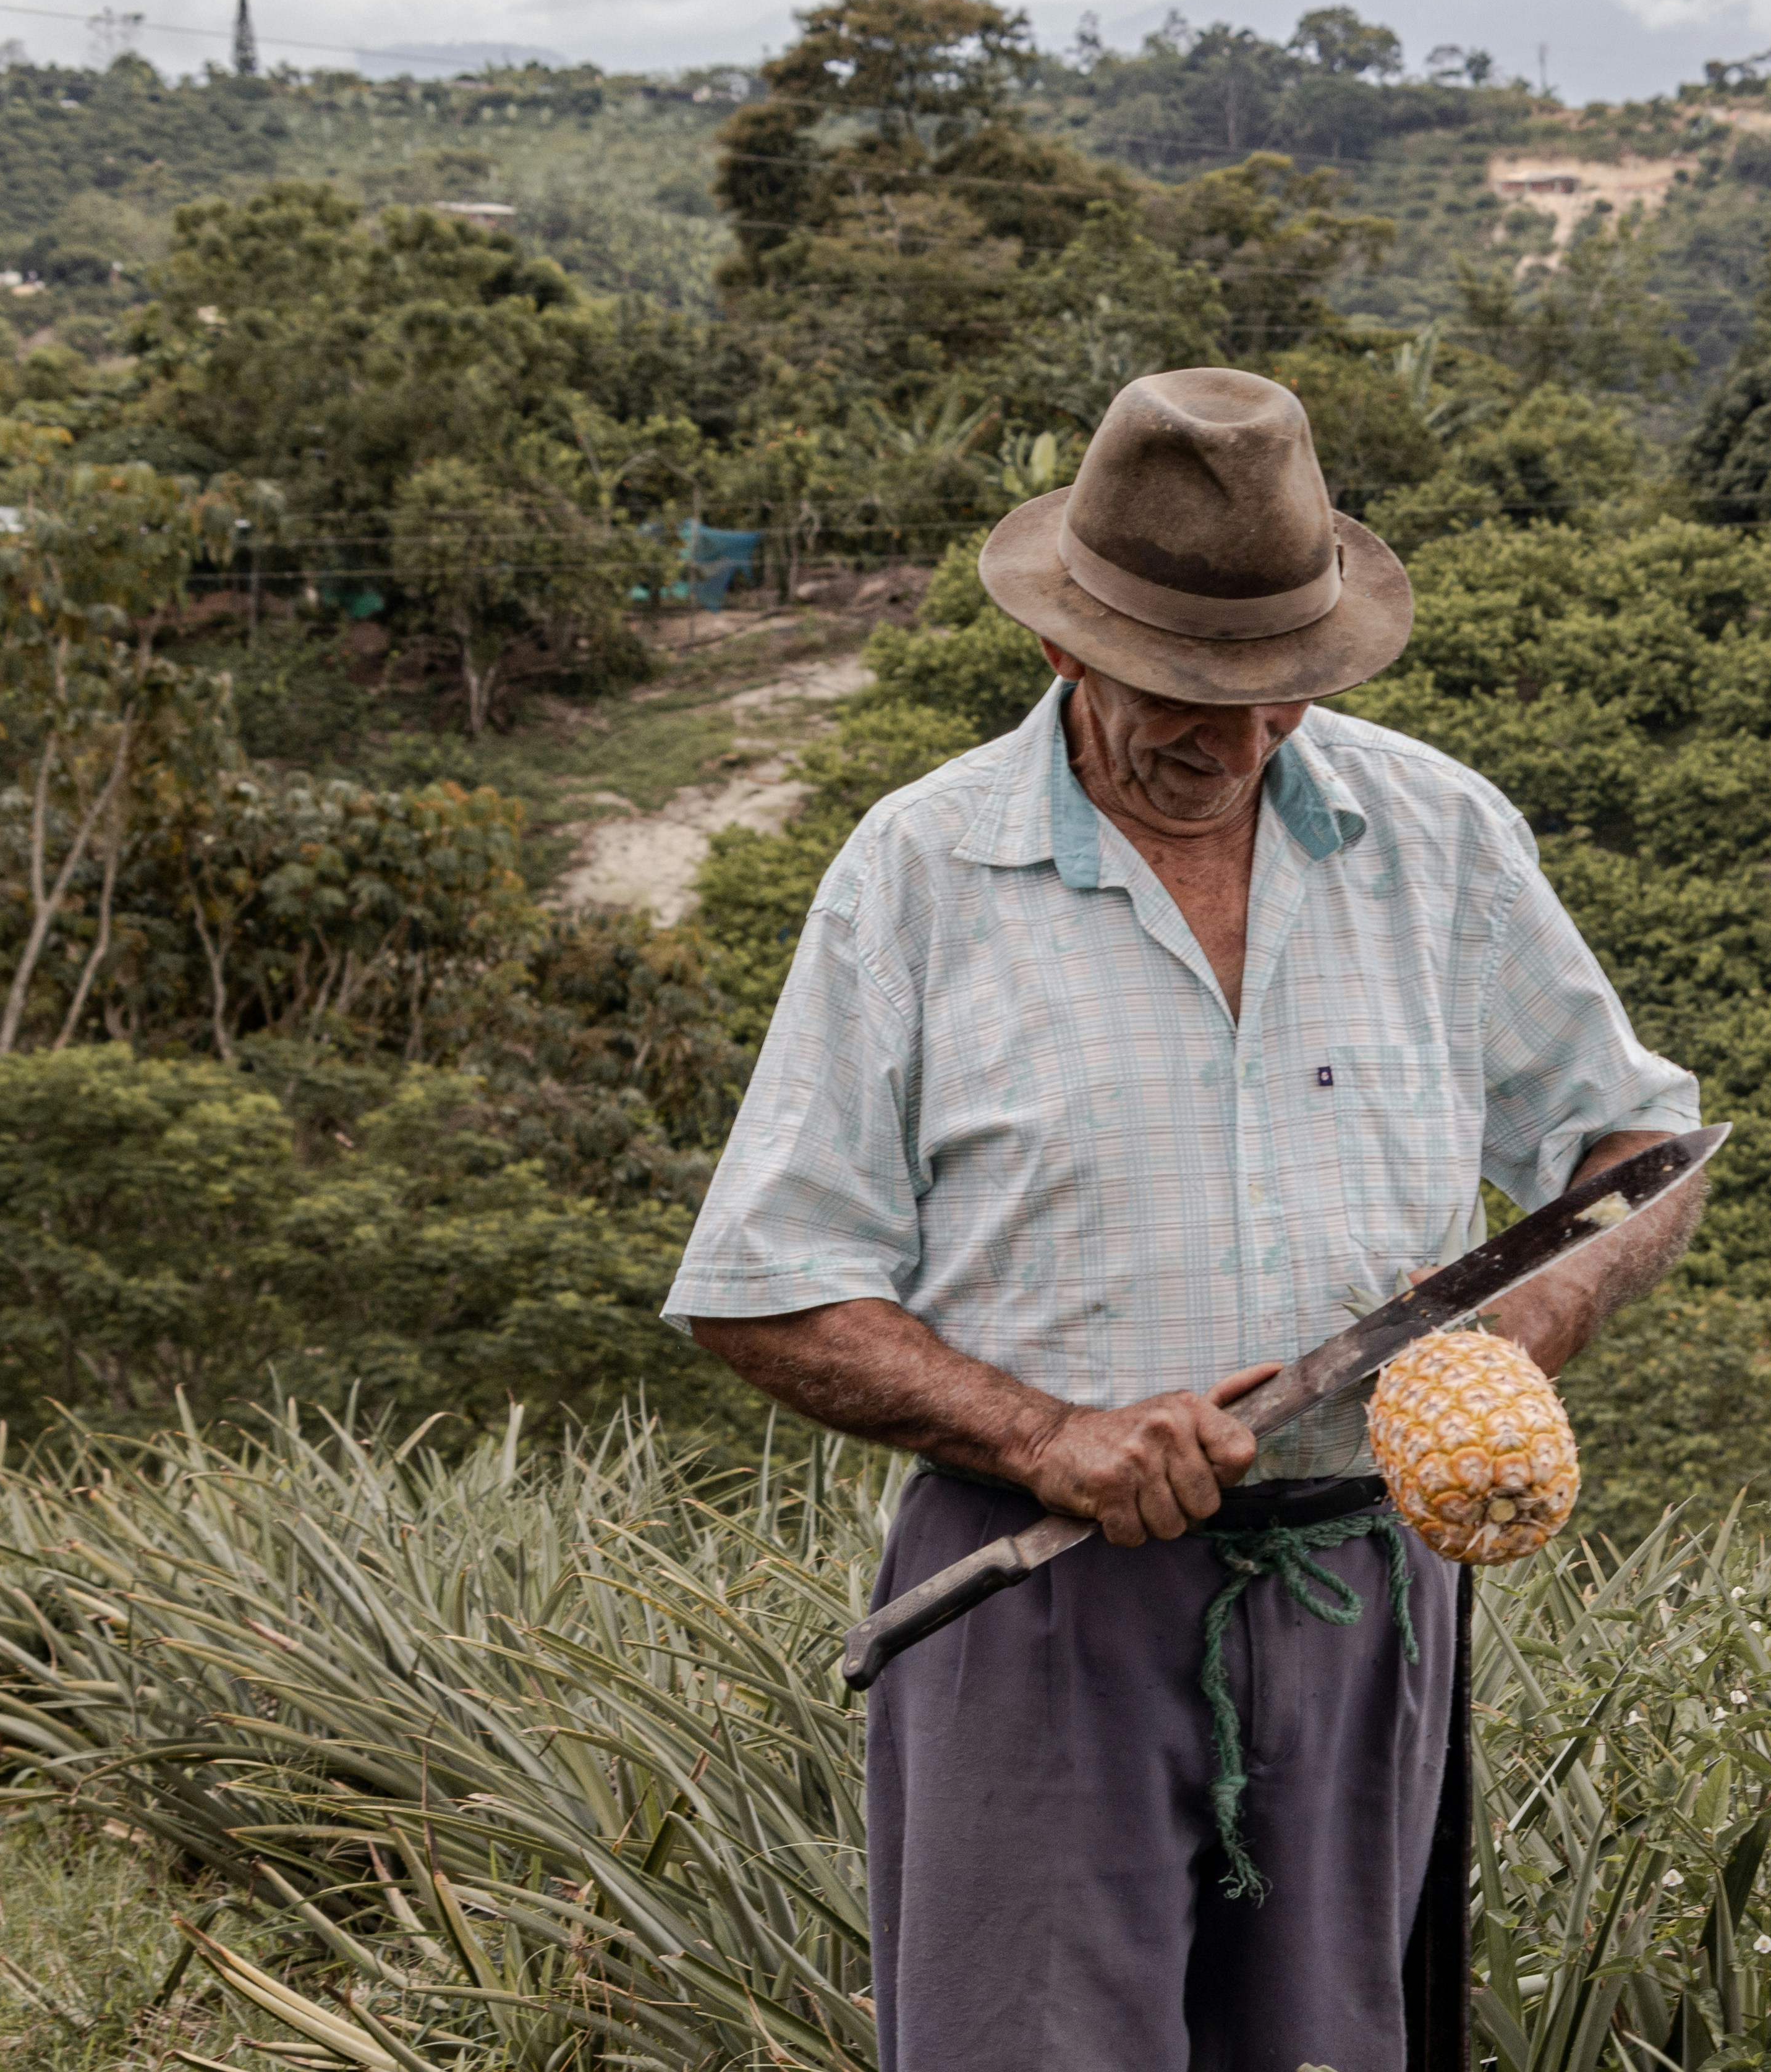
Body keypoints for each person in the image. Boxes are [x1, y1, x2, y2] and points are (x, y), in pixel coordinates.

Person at [668, 366, 1702, 2071]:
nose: (1238, 742)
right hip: (1043, 1598)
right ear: (1062, 644)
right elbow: (764, 1286)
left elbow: (1639, 1139)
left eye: (1280, 692)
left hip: (1364, 1588)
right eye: (1184, 695)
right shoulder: (920, 874)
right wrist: (1048, 1434)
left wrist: (1532, 1325)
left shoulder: (1436, 837)